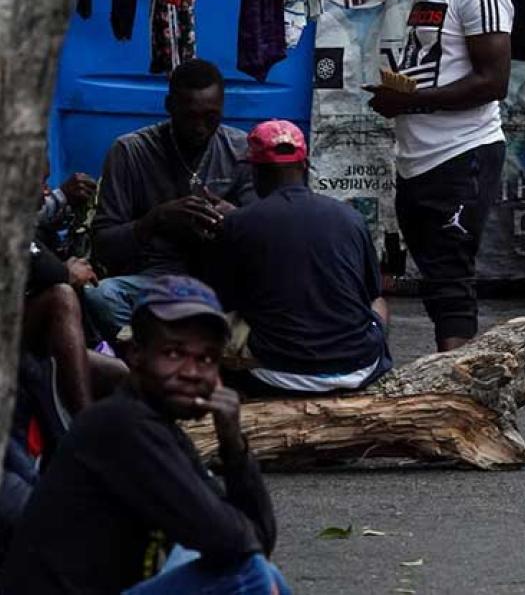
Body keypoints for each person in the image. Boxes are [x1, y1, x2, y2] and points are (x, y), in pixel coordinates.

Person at [2, 275, 289, 594]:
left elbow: (256, 542)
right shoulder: (122, 424)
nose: (192, 373)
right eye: (174, 353)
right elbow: (234, 543)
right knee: (247, 575)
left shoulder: (159, 427)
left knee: (258, 570)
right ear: (135, 354)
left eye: (205, 359)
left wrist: (234, 445)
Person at [361, 0, 514, 352]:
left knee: (451, 277)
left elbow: (492, 82)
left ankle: (458, 392)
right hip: (417, 159)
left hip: (462, 154)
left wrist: (406, 102)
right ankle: (450, 380)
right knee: (434, 277)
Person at [209, 120, 393, 395]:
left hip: (275, 374)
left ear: (255, 172)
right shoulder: (350, 217)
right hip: (359, 369)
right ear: (305, 166)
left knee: (216, 320)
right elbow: (369, 293)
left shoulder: (238, 223)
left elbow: (225, 300)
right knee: (378, 302)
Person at [86, 59, 256, 340]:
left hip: (222, 280)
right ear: (169, 106)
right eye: (190, 116)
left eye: (211, 117)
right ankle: (151, 357)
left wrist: (232, 218)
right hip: (157, 279)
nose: (200, 128)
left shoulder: (240, 149)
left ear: (223, 108)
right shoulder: (131, 151)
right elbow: (103, 246)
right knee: (102, 296)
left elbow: (264, 236)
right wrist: (157, 219)